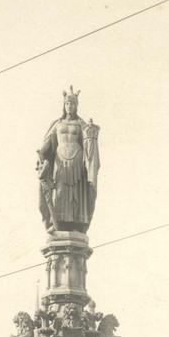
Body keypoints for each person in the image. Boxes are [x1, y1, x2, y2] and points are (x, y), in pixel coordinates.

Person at [36, 87, 100, 234]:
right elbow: (48, 142)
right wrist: (42, 152)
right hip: (60, 162)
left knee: (75, 194)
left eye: (72, 104)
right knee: (60, 192)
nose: (69, 106)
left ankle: (76, 224)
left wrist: (91, 137)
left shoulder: (81, 124)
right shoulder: (57, 124)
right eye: (67, 104)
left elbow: (87, 144)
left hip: (77, 162)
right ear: (64, 105)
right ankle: (58, 223)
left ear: (76, 106)